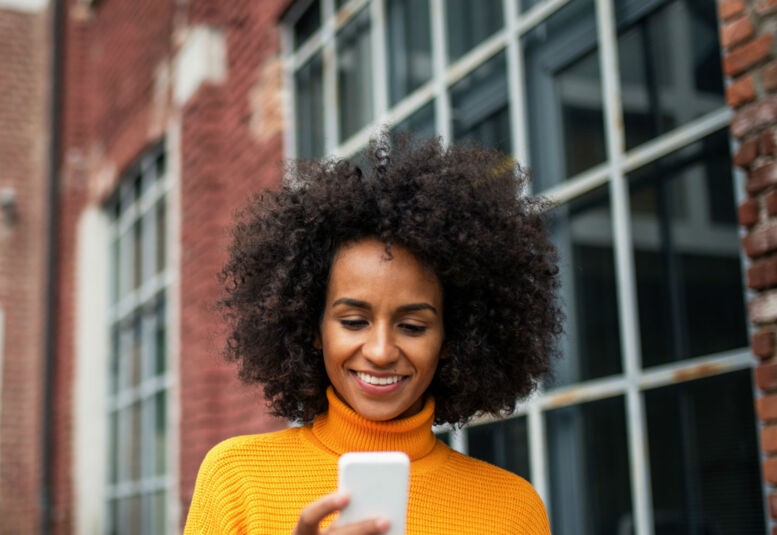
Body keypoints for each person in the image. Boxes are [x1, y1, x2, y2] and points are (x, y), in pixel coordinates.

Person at [183, 134, 562, 534]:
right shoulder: (236, 479)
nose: (381, 352)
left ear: (452, 339)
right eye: (353, 322)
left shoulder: (512, 508)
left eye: (413, 327)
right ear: (314, 329)